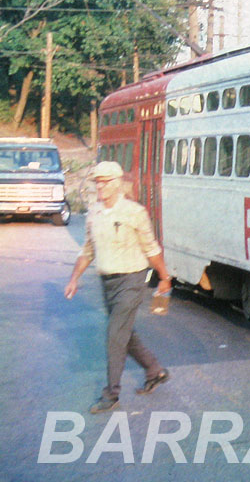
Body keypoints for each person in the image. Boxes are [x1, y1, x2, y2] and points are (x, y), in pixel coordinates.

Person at [64, 161, 173, 414]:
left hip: (131, 281)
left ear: (116, 183)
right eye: (97, 182)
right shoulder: (94, 213)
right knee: (124, 333)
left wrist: (164, 277)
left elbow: (152, 249)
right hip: (108, 283)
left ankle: (111, 394)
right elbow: (87, 251)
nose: (99, 186)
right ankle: (155, 370)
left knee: (115, 335)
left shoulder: (134, 212)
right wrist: (74, 279)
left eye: (104, 182)